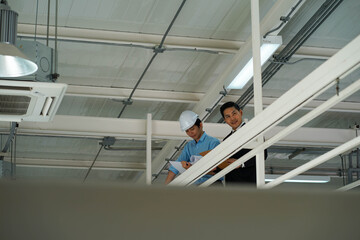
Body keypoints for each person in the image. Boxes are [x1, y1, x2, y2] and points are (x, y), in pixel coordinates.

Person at [165, 110, 222, 185]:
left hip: (212, 185)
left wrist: (192, 168)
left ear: (200, 125)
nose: (190, 133)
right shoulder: (189, 146)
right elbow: (175, 168)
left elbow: (216, 169)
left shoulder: (213, 142)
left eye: (192, 129)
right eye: (187, 131)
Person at [217, 101, 267, 186]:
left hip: (250, 185)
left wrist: (241, 163)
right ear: (225, 120)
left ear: (240, 112)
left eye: (234, 114)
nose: (232, 118)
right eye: (228, 116)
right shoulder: (226, 140)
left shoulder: (254, 132)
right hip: (232, 188)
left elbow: (263, 154)